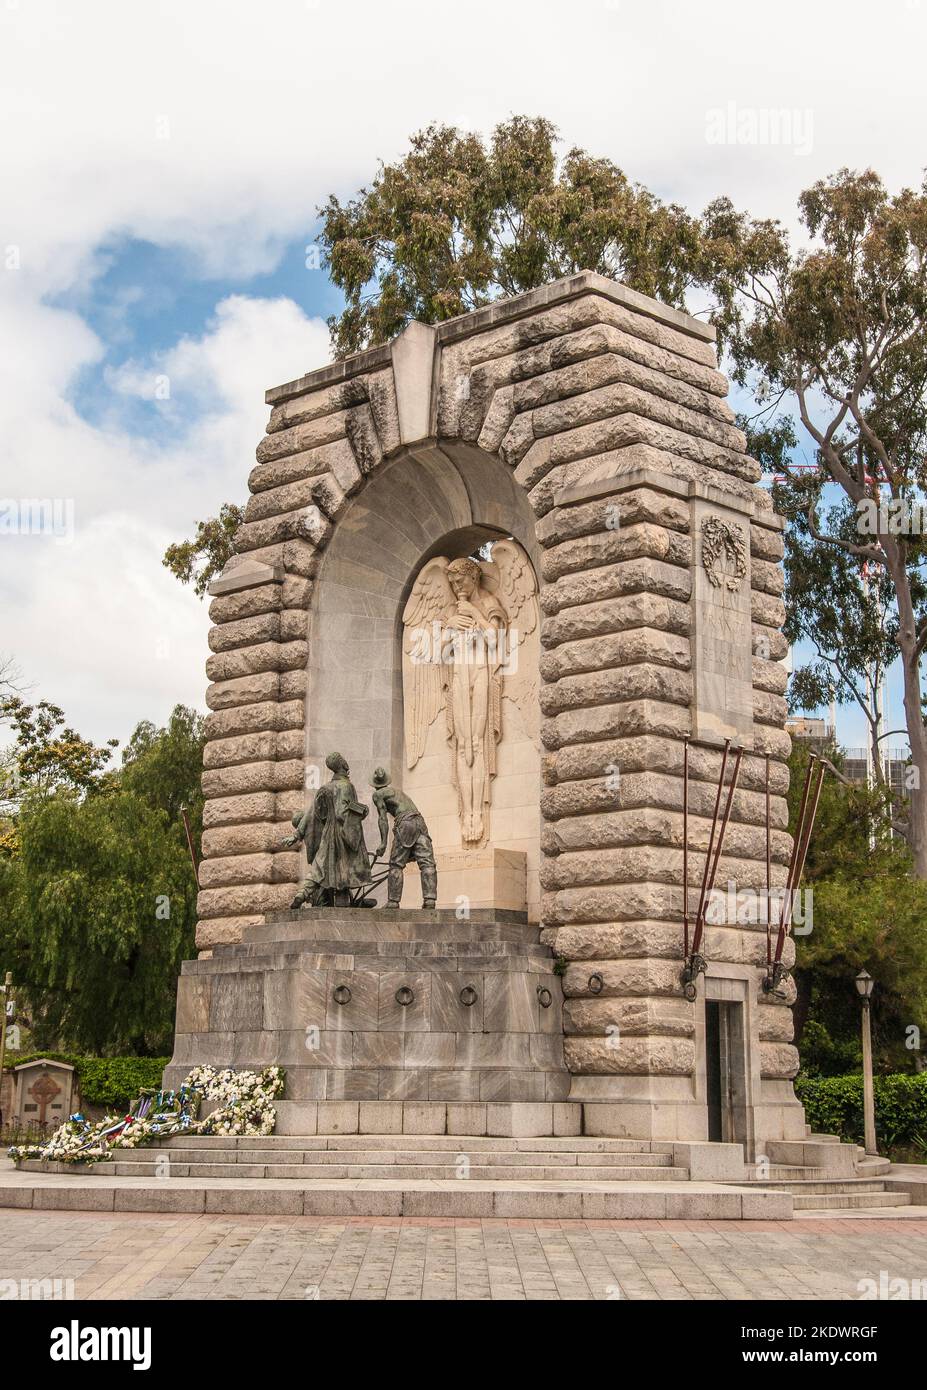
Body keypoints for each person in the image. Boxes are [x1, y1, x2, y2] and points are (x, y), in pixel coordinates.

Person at [284, 752, 372, 907]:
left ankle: (302, 893)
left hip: (328, 834)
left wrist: (297, 835)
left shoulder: (325, 788)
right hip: (343, 834)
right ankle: (342, 905)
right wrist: (361, 812)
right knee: (344, 873)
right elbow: (342, 813)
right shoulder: (347, 786)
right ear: (344, 765)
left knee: (320, 866)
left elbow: (312, 812)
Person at [371, 767, 437, 908]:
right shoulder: (399, 792)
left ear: (375, 785)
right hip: (420, 822)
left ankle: (393, 902)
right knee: (427, 863)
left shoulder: (378, 794)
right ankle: (430, 900)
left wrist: (383, 843)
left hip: (405, 823)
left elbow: (382, 819)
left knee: (395, 865)